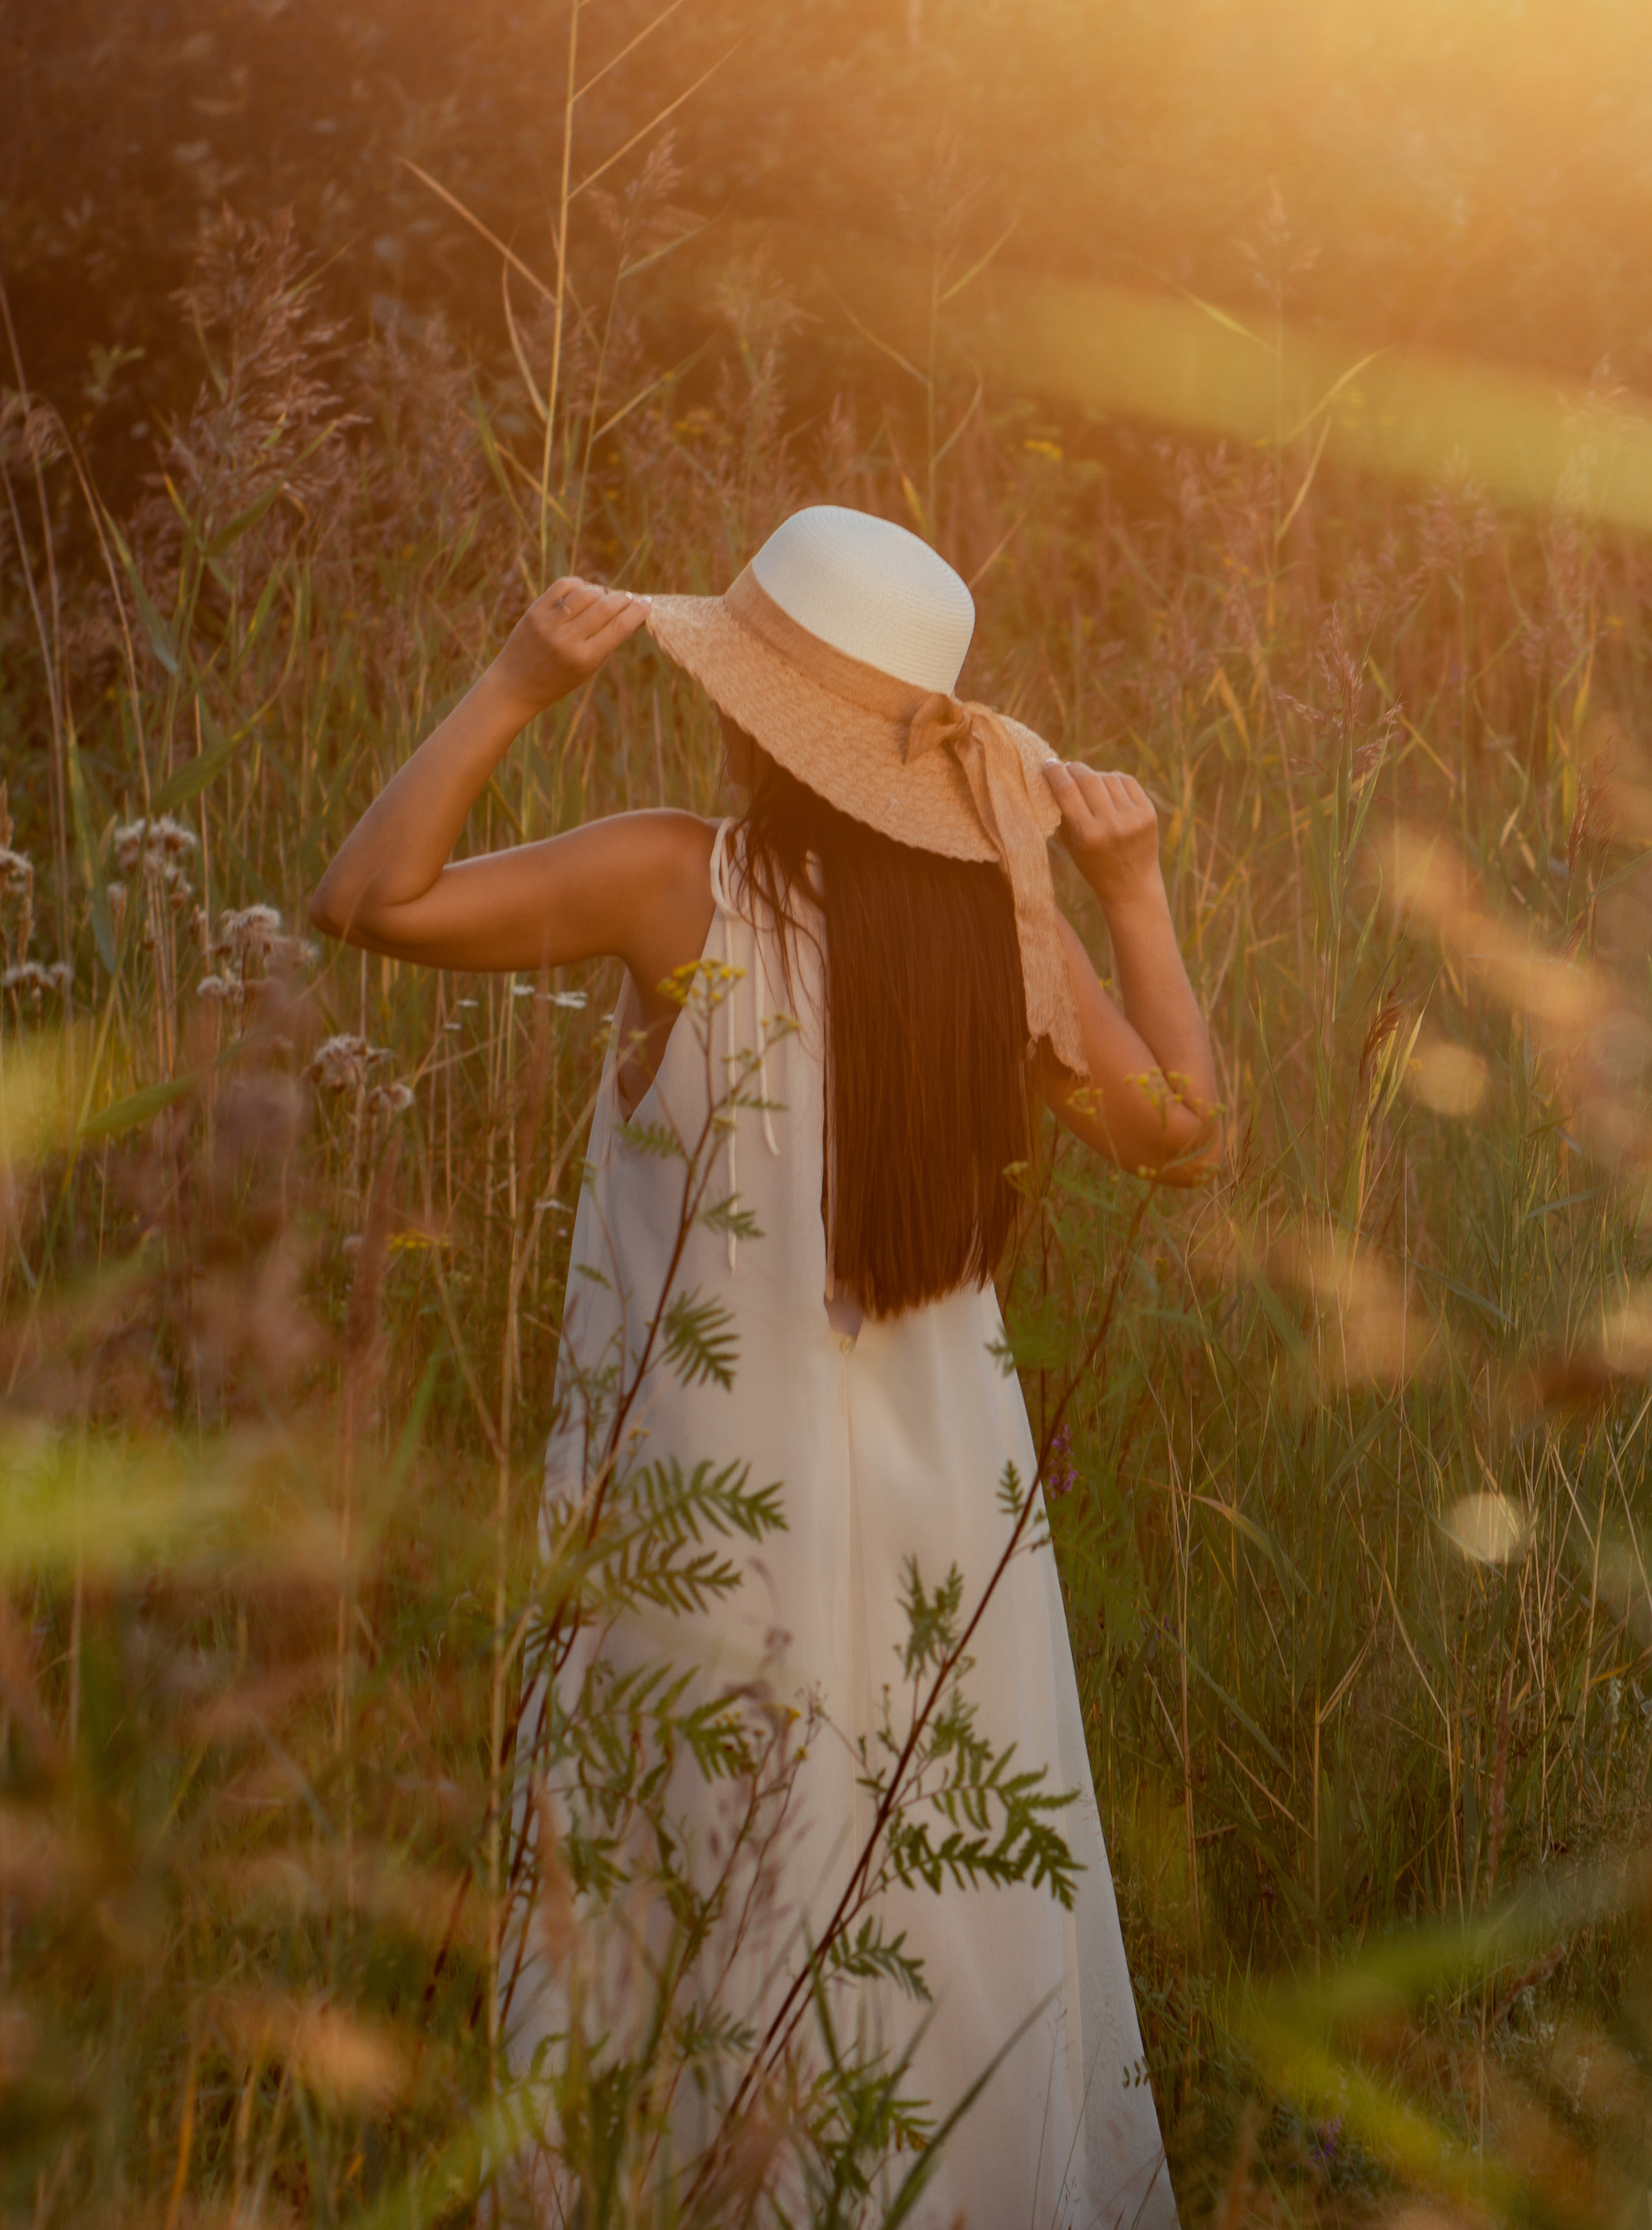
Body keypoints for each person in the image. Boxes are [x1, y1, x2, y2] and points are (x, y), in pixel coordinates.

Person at [310, 504, 1217, 2229]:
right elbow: (1182, 1137)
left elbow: (367, 900)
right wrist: (1134, 889)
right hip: (949, 1534)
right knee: (933, 1901)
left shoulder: (678, 879)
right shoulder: (992, 936)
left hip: (704, 1523)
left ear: (752, 718)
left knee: (699, 1903)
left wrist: (511, 684)